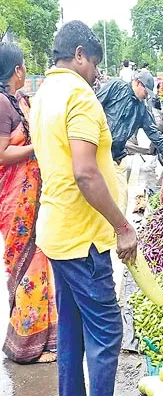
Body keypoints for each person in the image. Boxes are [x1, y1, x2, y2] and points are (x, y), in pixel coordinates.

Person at [29, 21, 137, 396]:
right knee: (107, 330)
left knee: (71, 331)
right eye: (93, 63)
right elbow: (86, 173)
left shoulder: (44, 93)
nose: (95, 74)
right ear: (78, 55)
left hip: (57, 233)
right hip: (82, 238)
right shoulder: (79, 96)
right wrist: (123, 226)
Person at [0, 42, 58, 364]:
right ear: (15, 70)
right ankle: (26, 346)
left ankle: (43, 339)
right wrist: (35, 150)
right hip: (15, 202)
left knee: (40, 260)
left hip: (33, 198)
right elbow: (2, 154)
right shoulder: (1, 104)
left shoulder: (18, 100)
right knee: (29, 266)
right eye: (21, 65)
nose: (24, 70)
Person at [96, 70, 163, 213]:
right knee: (98, 201)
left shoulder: (141, 109)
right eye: (146, 91)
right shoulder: (116, 87)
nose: (147, 95)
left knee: (120, 202)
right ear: (138, 83)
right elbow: (94, 106)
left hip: (117, 157)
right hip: (99, 154)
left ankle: (116, 234)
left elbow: (153, 131)